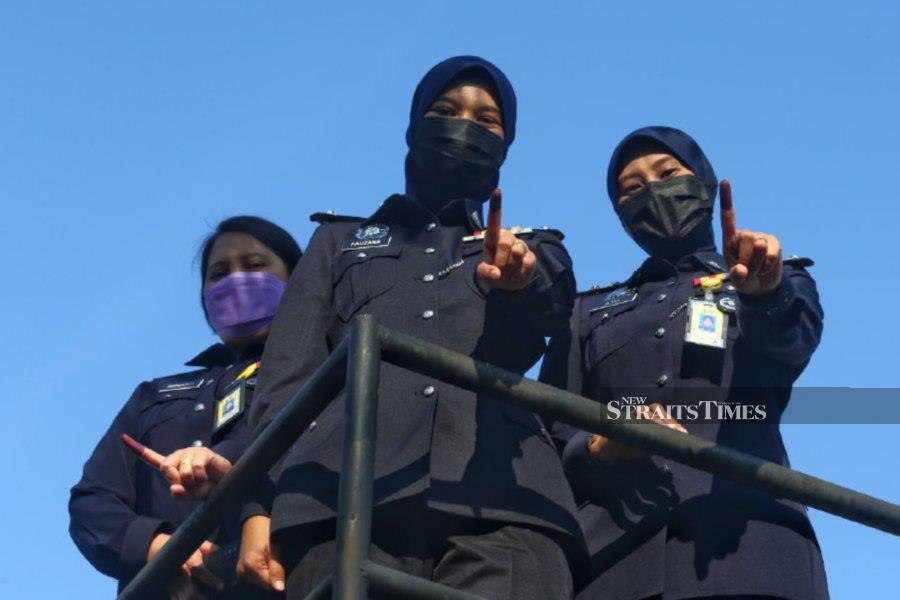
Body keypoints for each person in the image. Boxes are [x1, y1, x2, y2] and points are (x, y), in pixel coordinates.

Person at [237, 56, 586, 599]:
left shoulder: (534, 245)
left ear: (506, 145)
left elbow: (551, 309)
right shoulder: (338, 242)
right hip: (340, 502)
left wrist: (519, 279)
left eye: (487, 120)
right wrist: (257, 508)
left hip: (503, 504)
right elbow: (285, 383)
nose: (465, 125)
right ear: (413, 126)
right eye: (445, 110)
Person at [540, 126, 829, 599]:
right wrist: (598, 445)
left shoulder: (772, 278)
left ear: (705, 182)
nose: (653, 191)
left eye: (668, 173)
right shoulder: (586, 312)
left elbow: (793, 341)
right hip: (617, 561)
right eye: (631, 189)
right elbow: (552, 426)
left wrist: (764, 294)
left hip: (750, 554)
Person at [69, 216, 302, 596]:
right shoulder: (153, 395)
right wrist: (158, 545)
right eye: (219, 273)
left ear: (300, 279)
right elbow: (92, 501)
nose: (235, 281)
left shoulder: (320, 369)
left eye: (255, 265)